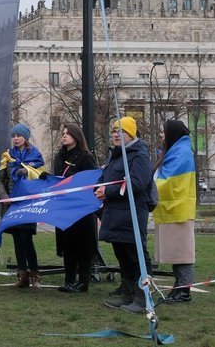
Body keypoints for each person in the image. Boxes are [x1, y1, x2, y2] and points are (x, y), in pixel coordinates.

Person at [96, 117, 153, 314]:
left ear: (131, 134)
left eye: (121, 131)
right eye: (113, 131)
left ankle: (142, 298)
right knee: (122, 256)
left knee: (136, 257)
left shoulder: (140, 156)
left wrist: (108, 192)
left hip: (133, 215)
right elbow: (106, 178)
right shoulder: (115, 155)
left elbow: (137, 183)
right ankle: (127, 295)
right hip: (115, 215)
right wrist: (99, 187)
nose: (115, 134)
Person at [155, 119, 197, 304]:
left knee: (182, 253)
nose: (161, 136)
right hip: (174, 208)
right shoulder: (177, 150)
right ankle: (179, 287)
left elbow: (168, 180)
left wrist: (148, 188)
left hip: (179, 209)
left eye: (163, 133)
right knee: (177, 252)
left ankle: (184, 290)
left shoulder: (181, 152)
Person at [53, 123, 98, 293]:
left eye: (68, 133)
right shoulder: (59, 156)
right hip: (63, 207)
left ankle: (83, 281)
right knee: (67, 245)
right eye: (63, 133)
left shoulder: (85, 157)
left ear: (76, 136)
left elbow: (92, 179)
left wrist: (73, 179)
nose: (64, 136)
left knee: (82, 246)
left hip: (81, 208)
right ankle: (69, 280)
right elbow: (57, 179)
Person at [3, 123, 45, 289]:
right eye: (13, 136)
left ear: (25, 138)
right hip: (13, 203)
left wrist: (27, 171)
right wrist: (4, 196)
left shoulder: (35, 155)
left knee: (26, 239)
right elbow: (1, 178)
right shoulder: (7, 156)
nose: (16, 138)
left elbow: (41, 175)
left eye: (19, 135)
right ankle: (22, 276)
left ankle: (35, 275)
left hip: (28, 203)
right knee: (17, 240)